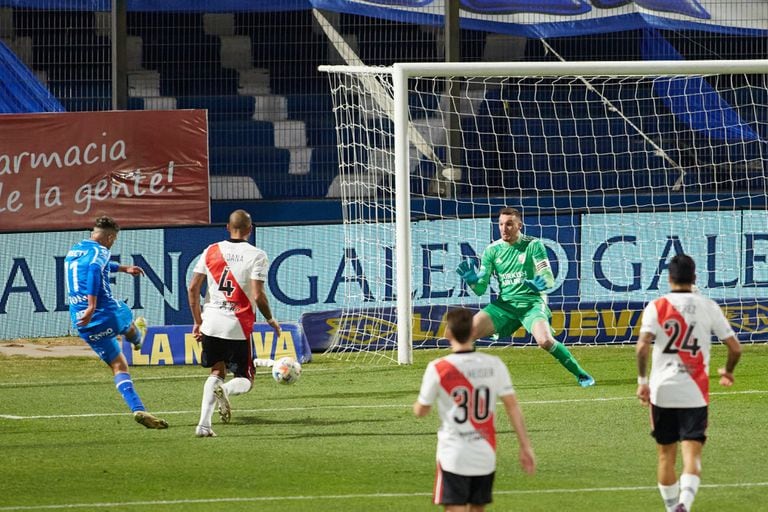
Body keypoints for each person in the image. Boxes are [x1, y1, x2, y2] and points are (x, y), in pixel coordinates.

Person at [635, 254, 741, 512]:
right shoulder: (708, 306)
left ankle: (673, 509)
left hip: (662, 391)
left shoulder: (656, 306)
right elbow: (735, 348)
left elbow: (641, 348)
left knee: (665, 455)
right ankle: (685, 503)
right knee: (691, 456)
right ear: (694, 278)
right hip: (695, 392)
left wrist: (642, 381)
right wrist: (727, 371)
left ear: (669, 278)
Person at [456, 207, 594, 387]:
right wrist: (472, 281)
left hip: (532, 304)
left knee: (545, 341)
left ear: (519, 225)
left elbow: (548, 277)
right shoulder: (492, 250)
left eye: (509, 224)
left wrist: (541, 283)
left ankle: (581, 374)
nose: (504, 228)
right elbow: (481, 289)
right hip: (505, 305)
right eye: (501, 224)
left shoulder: (533, 245)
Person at [414, 307, 535, 512]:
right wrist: (525, 446)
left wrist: (419, 406)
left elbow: (421, 410)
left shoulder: (439, 368)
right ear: (473, 331)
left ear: (448, 333)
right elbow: (512, 407)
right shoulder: (494, 365)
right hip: (484, 453)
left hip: (453, 453)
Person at [65, 215, 168, 429]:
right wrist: (92, 305)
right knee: (126, 314)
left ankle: (138, 408)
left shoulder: (75, 250)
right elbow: (95, 268)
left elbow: (98, 267)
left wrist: (123, 268)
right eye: (114, 240)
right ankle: (138, 339)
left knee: (118, 365)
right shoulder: (101, 251)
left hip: (81, 321)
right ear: (110, 237)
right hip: (103, 312)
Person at [188, 209, 281, 437]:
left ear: (228, 227)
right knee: (245, 379)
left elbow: (192, 288)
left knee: (216, 371)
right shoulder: (257, 255)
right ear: (250, 229)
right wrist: (270, 319)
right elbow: (258, 296)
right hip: (236, 325)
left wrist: (197, 321)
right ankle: (226, 390)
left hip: (210, 321)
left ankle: (203, 425)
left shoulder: (211, 250)